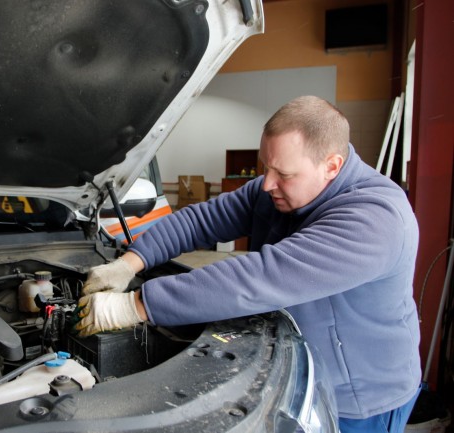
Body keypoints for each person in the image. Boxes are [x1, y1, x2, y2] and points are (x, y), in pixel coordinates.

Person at [75, 95, 421, 433]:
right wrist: (130, 263)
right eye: (265, 167)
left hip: (357, 399)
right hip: (292, 368)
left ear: (331, 166)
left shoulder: (376, 218)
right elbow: (200, 221)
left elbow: (261, 277)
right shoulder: (274, 191)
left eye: (283, 174)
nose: (267, 183)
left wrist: (135, 306)